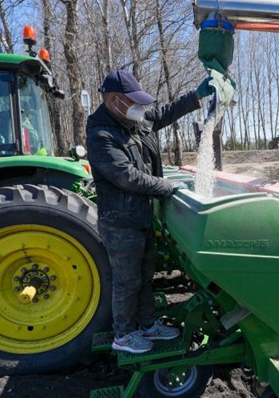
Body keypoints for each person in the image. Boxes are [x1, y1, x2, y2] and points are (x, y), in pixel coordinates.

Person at [86, 70, 216, 354]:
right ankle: (123, 335)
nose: (139, 108)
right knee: (127, 281)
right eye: (134, 102)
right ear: (114, 100)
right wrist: (167, 186)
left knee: (144, 275)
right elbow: (127, 177)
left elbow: (165, 114)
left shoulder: (133, 120)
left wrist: (196, 96)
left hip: (141, 216)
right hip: (121, 222)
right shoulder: (101, 135)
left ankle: (147, 324)